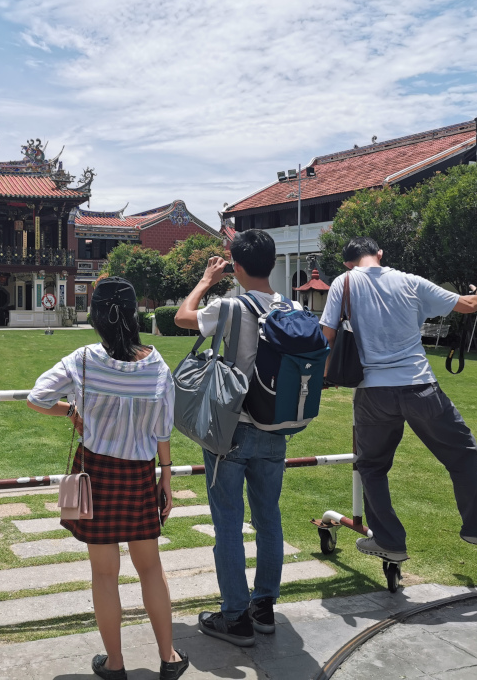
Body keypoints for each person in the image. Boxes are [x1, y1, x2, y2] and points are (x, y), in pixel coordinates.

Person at [27, 277, 189, 680]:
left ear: (96, 316)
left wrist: (72, 411)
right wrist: (165, 477)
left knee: (104, 574)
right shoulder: (156, 365)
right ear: (135, 314)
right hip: (138, 473)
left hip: (95, 472)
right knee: (151, 568)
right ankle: (168, 657)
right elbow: (163, 430)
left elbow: (37, 397)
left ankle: (115, 664)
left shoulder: (82, 359)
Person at [319, 236, 477, 563]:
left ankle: (389, 541)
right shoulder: (410, 282)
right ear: (380, 254)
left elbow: (327, 336)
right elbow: (466, 305)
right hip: (419, 385)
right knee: (462, 453)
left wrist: (325, 377)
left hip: (371, 392)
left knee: (372, 466)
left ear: (347, 262)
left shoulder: (344, 282)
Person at [173, 229, 297, 647]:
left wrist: (207, 280)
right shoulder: (292, 307)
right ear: (274, 263)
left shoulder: (230, 305)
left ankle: (235, 616)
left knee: (228, 523)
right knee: (269, 519)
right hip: (275, 429)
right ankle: (264, 608)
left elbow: (182, 317)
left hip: (231, 429)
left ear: (237, 267)